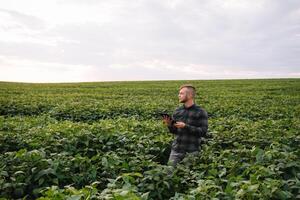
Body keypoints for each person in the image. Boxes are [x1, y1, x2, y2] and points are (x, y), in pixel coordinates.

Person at [162, 84, 208, 166]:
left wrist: (186, 126)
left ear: (190, 95)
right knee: (168, 174)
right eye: (179, 93)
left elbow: (203, 132)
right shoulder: (177, 111)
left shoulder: (201, 112)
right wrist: (169, 125)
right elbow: (175, 131)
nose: (179, 95)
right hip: (176, 150)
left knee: (187, 176)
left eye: (181, 93)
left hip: (191, 152)